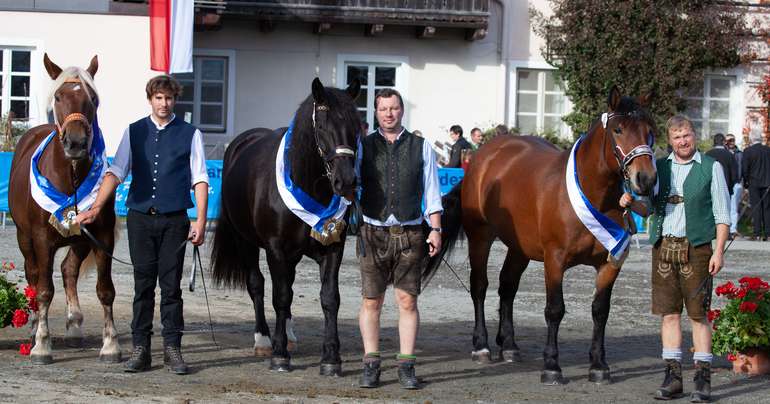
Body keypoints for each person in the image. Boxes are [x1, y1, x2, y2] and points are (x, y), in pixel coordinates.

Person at [77, 75, 209, 375]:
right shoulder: (134, 131)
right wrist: (96, 207)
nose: (164, 104)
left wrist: (200, 221)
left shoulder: (190, 133)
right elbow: (117, 171)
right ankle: (141, 350)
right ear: (150, 99)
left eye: (169, 98)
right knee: (143, 287)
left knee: (172, 288)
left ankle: (173, 350)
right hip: (139, 219)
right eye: (159, 98)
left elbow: (200, 178)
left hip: (175, 220)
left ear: (175, 100)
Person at [621, 115, 729, 402]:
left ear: (694, 136)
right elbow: (651, 210)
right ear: (669, 141)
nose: (683, 141)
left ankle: (703, 380)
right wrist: (632, 204)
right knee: (668, 315)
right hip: (663, 248)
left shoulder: (711, 167)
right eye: (677, 137)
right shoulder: (660, 167)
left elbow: (722, 216)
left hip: (698, 249)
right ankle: (673, 378)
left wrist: (718, 252)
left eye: (687, 136)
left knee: (698, 315)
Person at [357, 88, 442, 390]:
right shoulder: (362, 147)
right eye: (383, 109)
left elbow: (432, 192)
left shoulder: (422, 147)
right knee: (372, 301)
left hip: (410, 233)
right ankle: (371, 364)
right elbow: (349, 187)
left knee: (407, 301)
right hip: (372, 232)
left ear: (401, 111)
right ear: (376, 112)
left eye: (393, 108)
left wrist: (436, 228)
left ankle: (406, 365)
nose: (389, 114)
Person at [742, 129, 770, 241]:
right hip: (767, 183)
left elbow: (745, 169)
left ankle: (757, 233)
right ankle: (768, 233)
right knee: (767, 208)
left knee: (756, 207)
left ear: (751, 138)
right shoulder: (768, 150)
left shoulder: (748, 151)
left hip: (754, 183)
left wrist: (746, 183)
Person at [725, 133, 744, 238]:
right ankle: (724, 228)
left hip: (736, 183)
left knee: (733, 207)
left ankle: (733, 229)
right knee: (724, 206)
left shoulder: (739, 154)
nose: (731, 142)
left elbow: (743, 167)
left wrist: (742, 181)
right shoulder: (723, 153)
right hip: (726, 183)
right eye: (729, 140)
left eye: (732, 140)